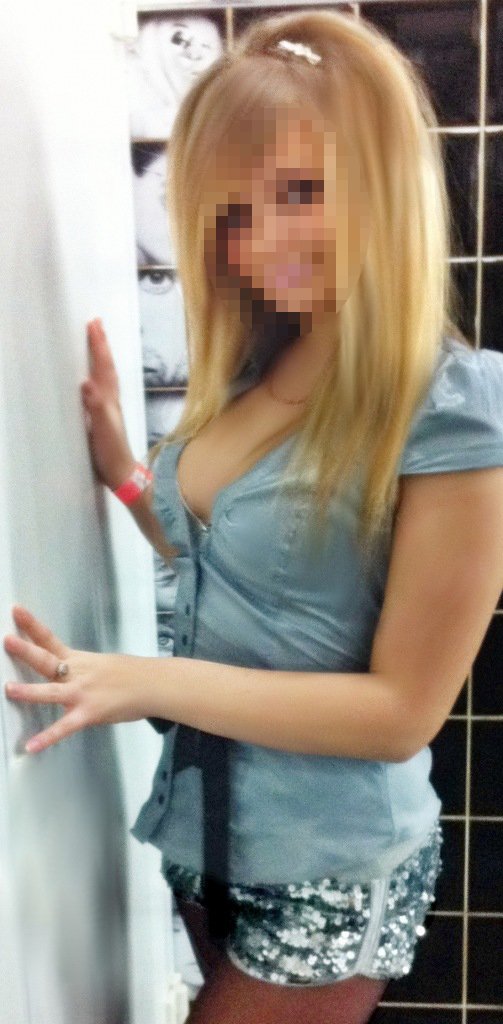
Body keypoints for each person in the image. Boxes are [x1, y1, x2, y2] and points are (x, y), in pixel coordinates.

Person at [4, 9, 503, 1024]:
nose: (259, 242)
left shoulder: (449, 406)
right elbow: (225, 560)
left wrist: (142, 681)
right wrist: (126, 476)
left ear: (380, 180)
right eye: (232, 211)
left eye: (300, 193)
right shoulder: (254, 372)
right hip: (207, 835)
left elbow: (402, 712)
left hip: (331, 867)